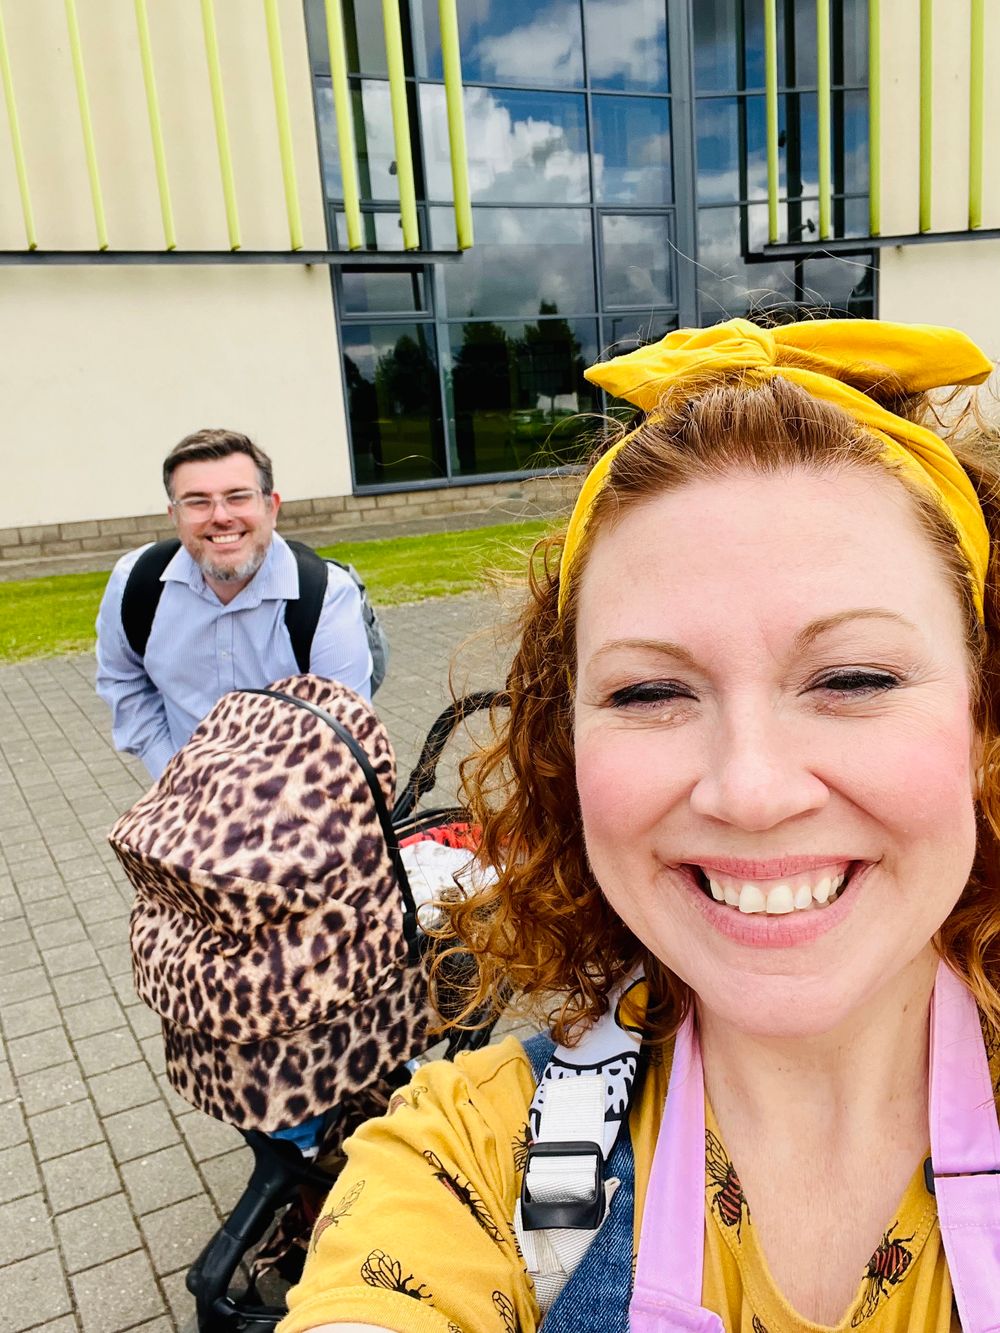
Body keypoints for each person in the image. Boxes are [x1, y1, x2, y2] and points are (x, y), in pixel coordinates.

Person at [278, 317, 1000, 1333]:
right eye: (651, 691)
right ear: (564, 746)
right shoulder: (463, 1157)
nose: (750, 791)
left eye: (853, 678)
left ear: (983, 719)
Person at [96, 428, 373, 780]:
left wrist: (253, 799)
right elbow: (124, 680)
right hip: (184, 796)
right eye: (197, 501)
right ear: (174, 516)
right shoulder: (134, 584)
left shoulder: (326, 598)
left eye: (238, 497)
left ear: (271, 507)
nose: (221, 516)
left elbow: (344, 740)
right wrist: (174, 772)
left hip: (299, 798)